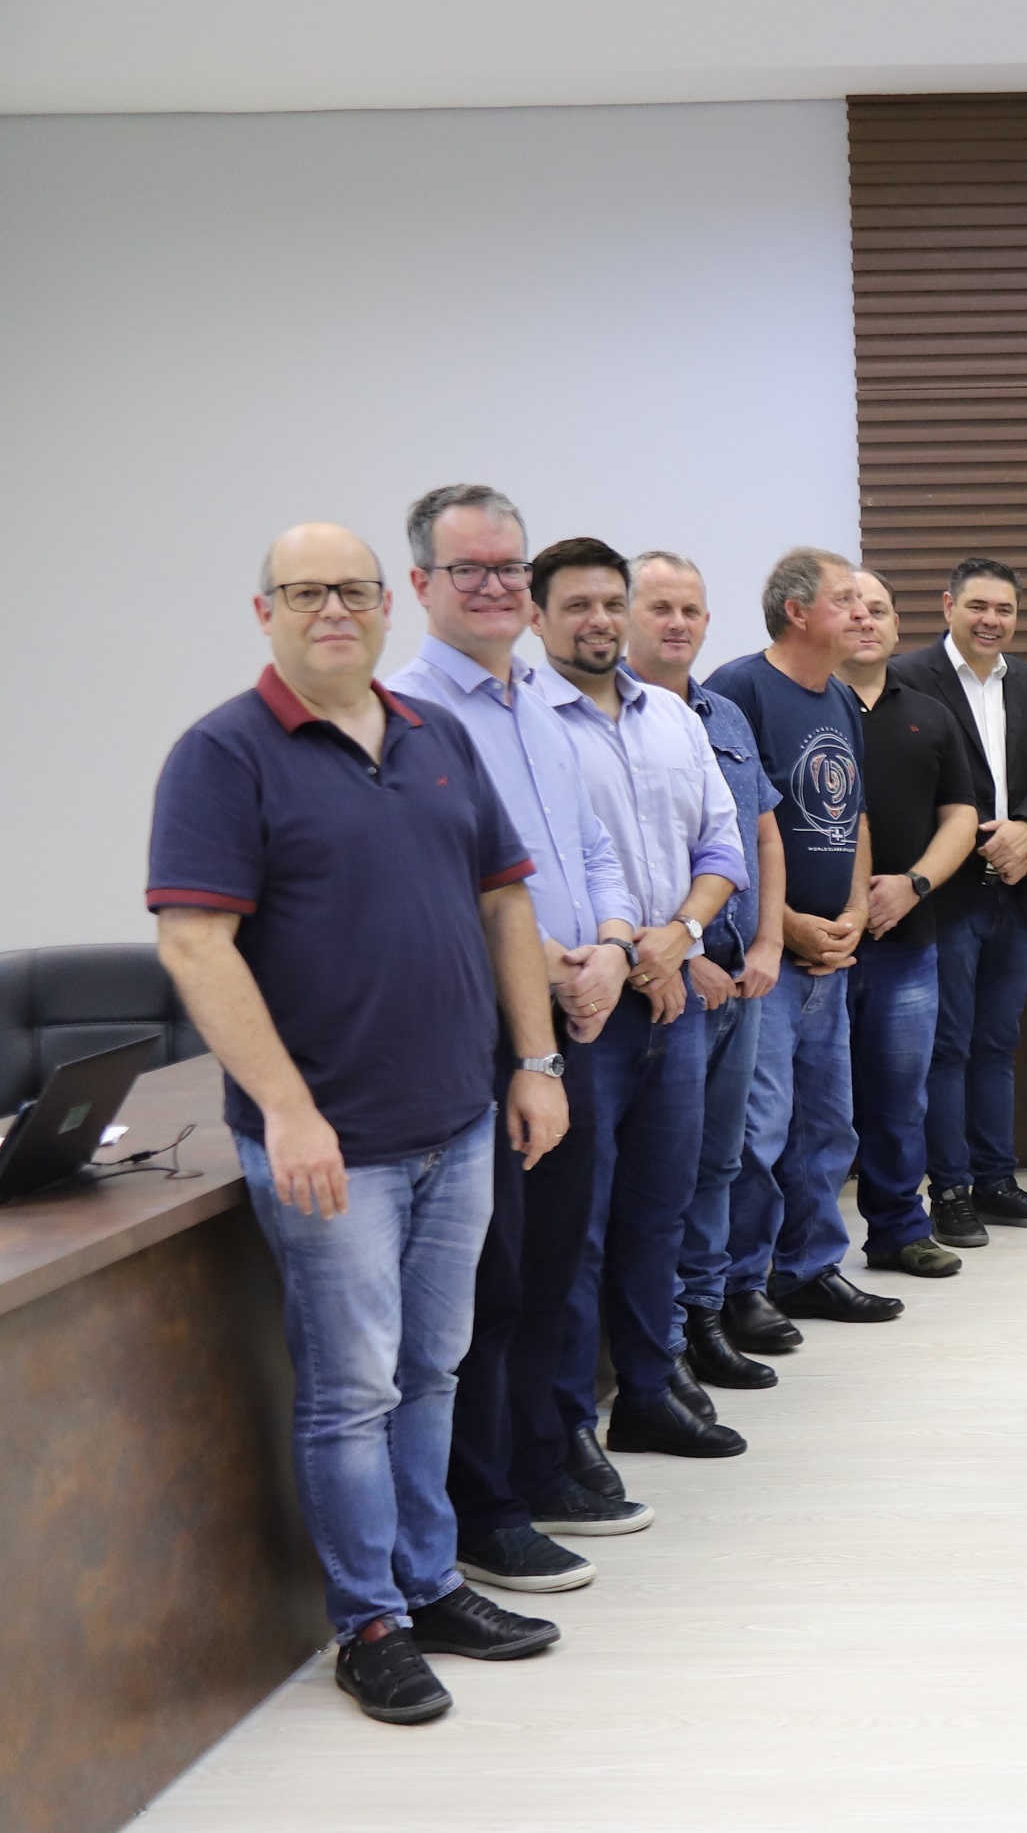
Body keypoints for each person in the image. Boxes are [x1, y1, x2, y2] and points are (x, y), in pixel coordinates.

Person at [150, 522, 571, 1725]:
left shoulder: (436, 735)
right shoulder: (223, 753)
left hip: (460, 1124)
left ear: (391, 603)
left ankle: (429, 1580)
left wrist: (535, 1061)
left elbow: (505, 902)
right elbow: (194, 943)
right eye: (304, 591)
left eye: (352, 588)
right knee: (351, 1389)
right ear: (265, 611)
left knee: (432, 1368)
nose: (332, 608)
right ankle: (368, 1622)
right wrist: (288, 1112)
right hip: (334, 1145)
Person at [387, 484, 638, 1598]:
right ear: (421, 585)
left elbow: (593, 851)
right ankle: (483, 1508)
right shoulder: (405, 713)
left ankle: (540, 1464)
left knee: (552, 1263)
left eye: (507, 567)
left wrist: (614, 948)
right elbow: (452, 883)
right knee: (485, 1284)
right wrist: (551, 970)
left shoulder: (541, 699)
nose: (493, 586)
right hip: (485, 1033)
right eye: (469, 569)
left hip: (578, 1018)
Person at [526, 537, 752, 1474]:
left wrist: (679, 937)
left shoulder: (672, 717)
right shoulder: (527, 723)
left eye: (610, 604)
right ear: (537, 617)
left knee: (660, 1209)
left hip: (673, 997)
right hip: (581, 1010)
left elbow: (724, 846)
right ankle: (569, 1421)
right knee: (577, 1228)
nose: (599, 621)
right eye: (576, 605)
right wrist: (629, 956)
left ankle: (649, 1393)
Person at [704, 549, 903, 1327]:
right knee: (758, 1131)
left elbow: (852, 813)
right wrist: (782, 924)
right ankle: (739, 1285)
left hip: (832, 955)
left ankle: (810, 1268)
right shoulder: (739, 688)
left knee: (827, 1125)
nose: (862, 613)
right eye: (844, 599)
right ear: (796, 612)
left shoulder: (842, 698)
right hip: (769, 958)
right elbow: (729, 828)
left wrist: (852, 910)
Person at [619, 552, 793, 1388]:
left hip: (741, 976)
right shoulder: (603, 718)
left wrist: (767, 944)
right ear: (625, 616)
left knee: (724, 1158)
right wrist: (684, 957)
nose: (677, 623)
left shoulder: (722, 714)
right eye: (660, 607)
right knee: (666, 1175)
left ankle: (705, 1313)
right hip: (662, 984)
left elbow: (760, 834)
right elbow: (617, 860)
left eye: (690, 609)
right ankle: (662, 1345)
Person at [891, 556, 1027, 1238]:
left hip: (1016, 891)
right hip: (946, 894)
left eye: (1004, 609)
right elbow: (905, 784)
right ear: (948, 606)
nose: (991, 620)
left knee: (998, 1043)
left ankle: (996, 1181)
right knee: (947, 1048)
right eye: (978, 606)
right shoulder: (908, 677)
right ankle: (951, 1191)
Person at [830, 571, 977, 1278]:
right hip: (813, 946)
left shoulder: (930, 714)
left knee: (898, 1102)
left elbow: (962, 815)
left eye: (879, 610)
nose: (865, 620)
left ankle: (896, 1230)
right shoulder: (796, 706)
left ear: (897, 627)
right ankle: (799, 1255)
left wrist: (914, 885)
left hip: (907, 942)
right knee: (811, 1112)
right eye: (851, 608)